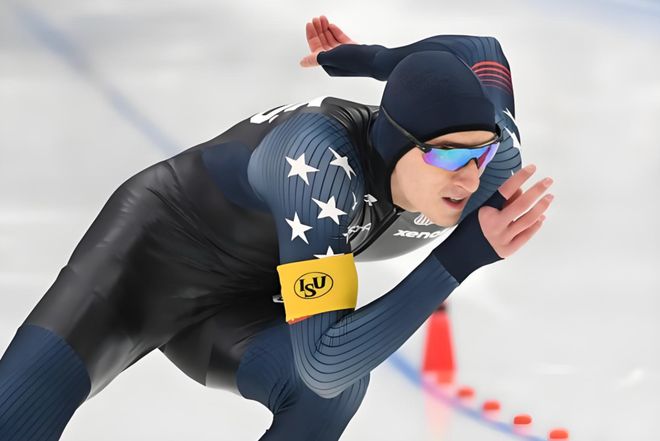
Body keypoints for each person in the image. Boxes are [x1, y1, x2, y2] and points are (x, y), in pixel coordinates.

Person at [0, 16, 554, 441]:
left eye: (480, 153)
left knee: (332, 395)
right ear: (396, 142)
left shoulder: (496, 157)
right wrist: (459, 259)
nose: (469, 176)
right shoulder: (317, 164)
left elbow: (480, 51)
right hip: (142, 265)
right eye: (447, 155)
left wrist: (370, 59)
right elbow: (324, 361)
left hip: (241, 302)